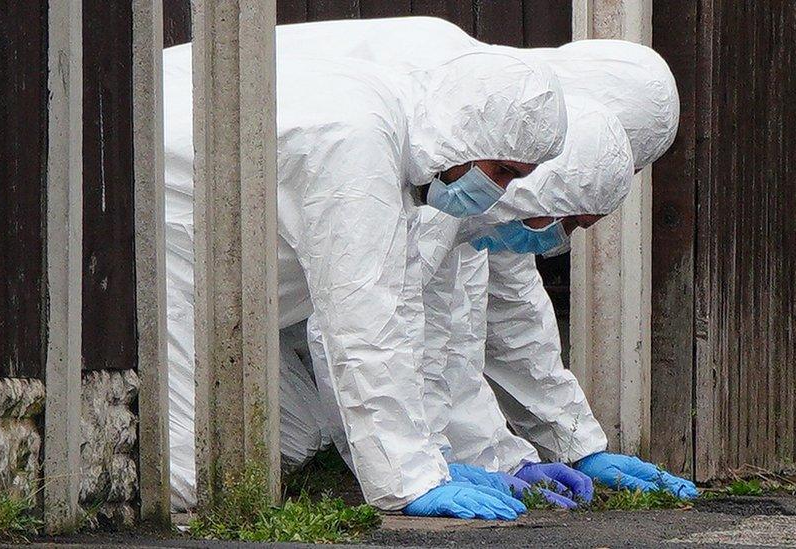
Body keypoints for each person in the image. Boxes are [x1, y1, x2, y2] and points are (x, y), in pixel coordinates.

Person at [269, 17, 697, 505]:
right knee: (269, 439)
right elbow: (382, 320)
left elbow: (477, 320)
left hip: (261, 258)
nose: (563, 234)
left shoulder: (491, 148)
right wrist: (418, 474)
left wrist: (547, 446)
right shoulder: (454, 137)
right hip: (203, 247)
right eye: (573, 217)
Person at [162, 35, 569, 520]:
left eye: (513, 179)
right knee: (190, 481)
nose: (496, 192)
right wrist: (410, 479)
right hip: (164, 252)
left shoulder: (397, 137)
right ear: (468, 134)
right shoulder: (359, 143)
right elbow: (364, 322)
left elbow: (406, 315)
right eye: (500, 170)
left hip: (210, 258)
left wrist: (436, 457)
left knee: (287, 436)